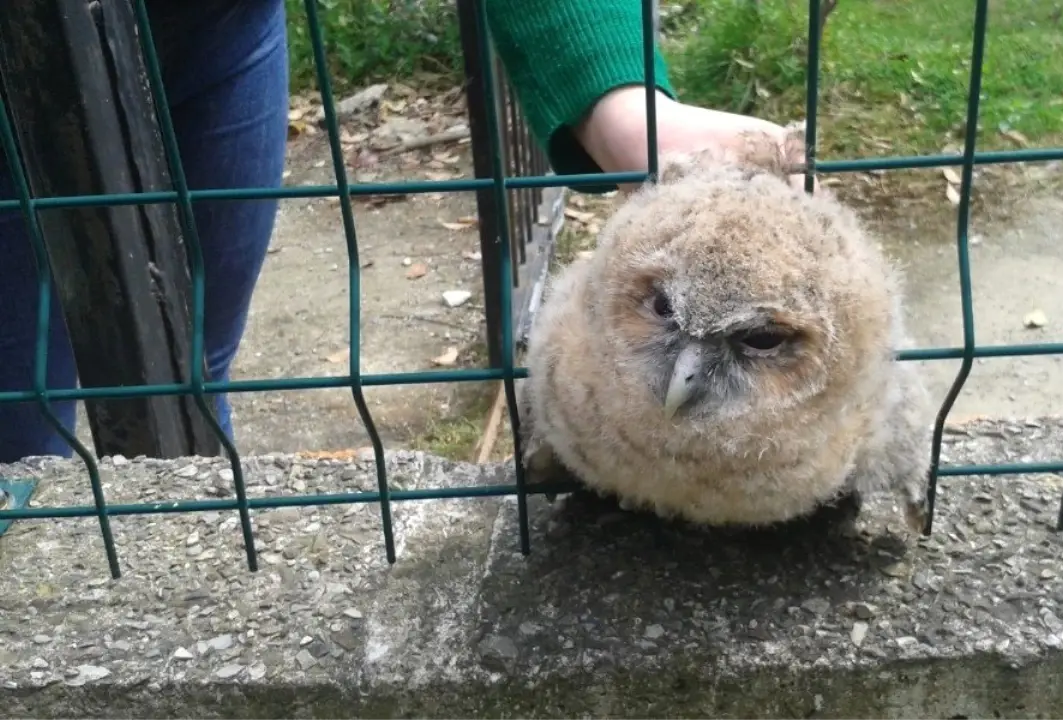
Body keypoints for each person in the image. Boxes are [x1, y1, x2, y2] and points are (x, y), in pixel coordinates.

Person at [0, 0, 802, 463]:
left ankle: (174, 611)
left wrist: (627, 108)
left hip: (214, 24)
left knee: (192, 366)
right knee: (20, 421)